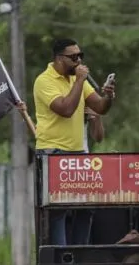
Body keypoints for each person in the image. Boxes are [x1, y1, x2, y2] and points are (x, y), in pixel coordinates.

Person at [32, 38, 116, 245]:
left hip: (78, 152)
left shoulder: (77, 79)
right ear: (59, 59)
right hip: (53, 152)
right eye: (73, 57)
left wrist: (108, 96)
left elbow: (100, 107)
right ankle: (62, 259)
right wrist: (79, 81)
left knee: (86, 208)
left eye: (81, 56)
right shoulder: (44, 81)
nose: (78, 61)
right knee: (58, 210)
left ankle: (79, 256)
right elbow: (65, 109)